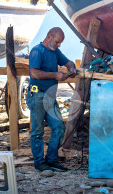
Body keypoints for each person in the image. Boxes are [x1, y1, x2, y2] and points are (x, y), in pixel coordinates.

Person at [27, 27, 76, 172]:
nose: (59, 45)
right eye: (57, 41)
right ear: (49, 36)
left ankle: (52, 160)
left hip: (49, 97)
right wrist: (55, 75)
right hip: (37, 96)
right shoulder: (37, 51)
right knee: (37, 131)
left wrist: (71, 68)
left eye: (60, 42)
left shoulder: (55, 51)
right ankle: (39, 162)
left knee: (59, 127)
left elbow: (68, 62)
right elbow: (34, 73)